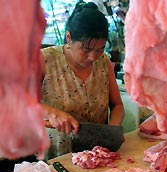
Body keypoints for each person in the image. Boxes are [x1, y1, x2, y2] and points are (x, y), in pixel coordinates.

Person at [41, 2, 125, 159]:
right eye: (85, 50)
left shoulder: (104, 61)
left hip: (97, 154)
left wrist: (113, 131)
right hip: (57, 156)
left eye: (99, 49)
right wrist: (50, 113)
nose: (93, 57)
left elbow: (117, 106)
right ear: (68, 38)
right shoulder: (45, 60)